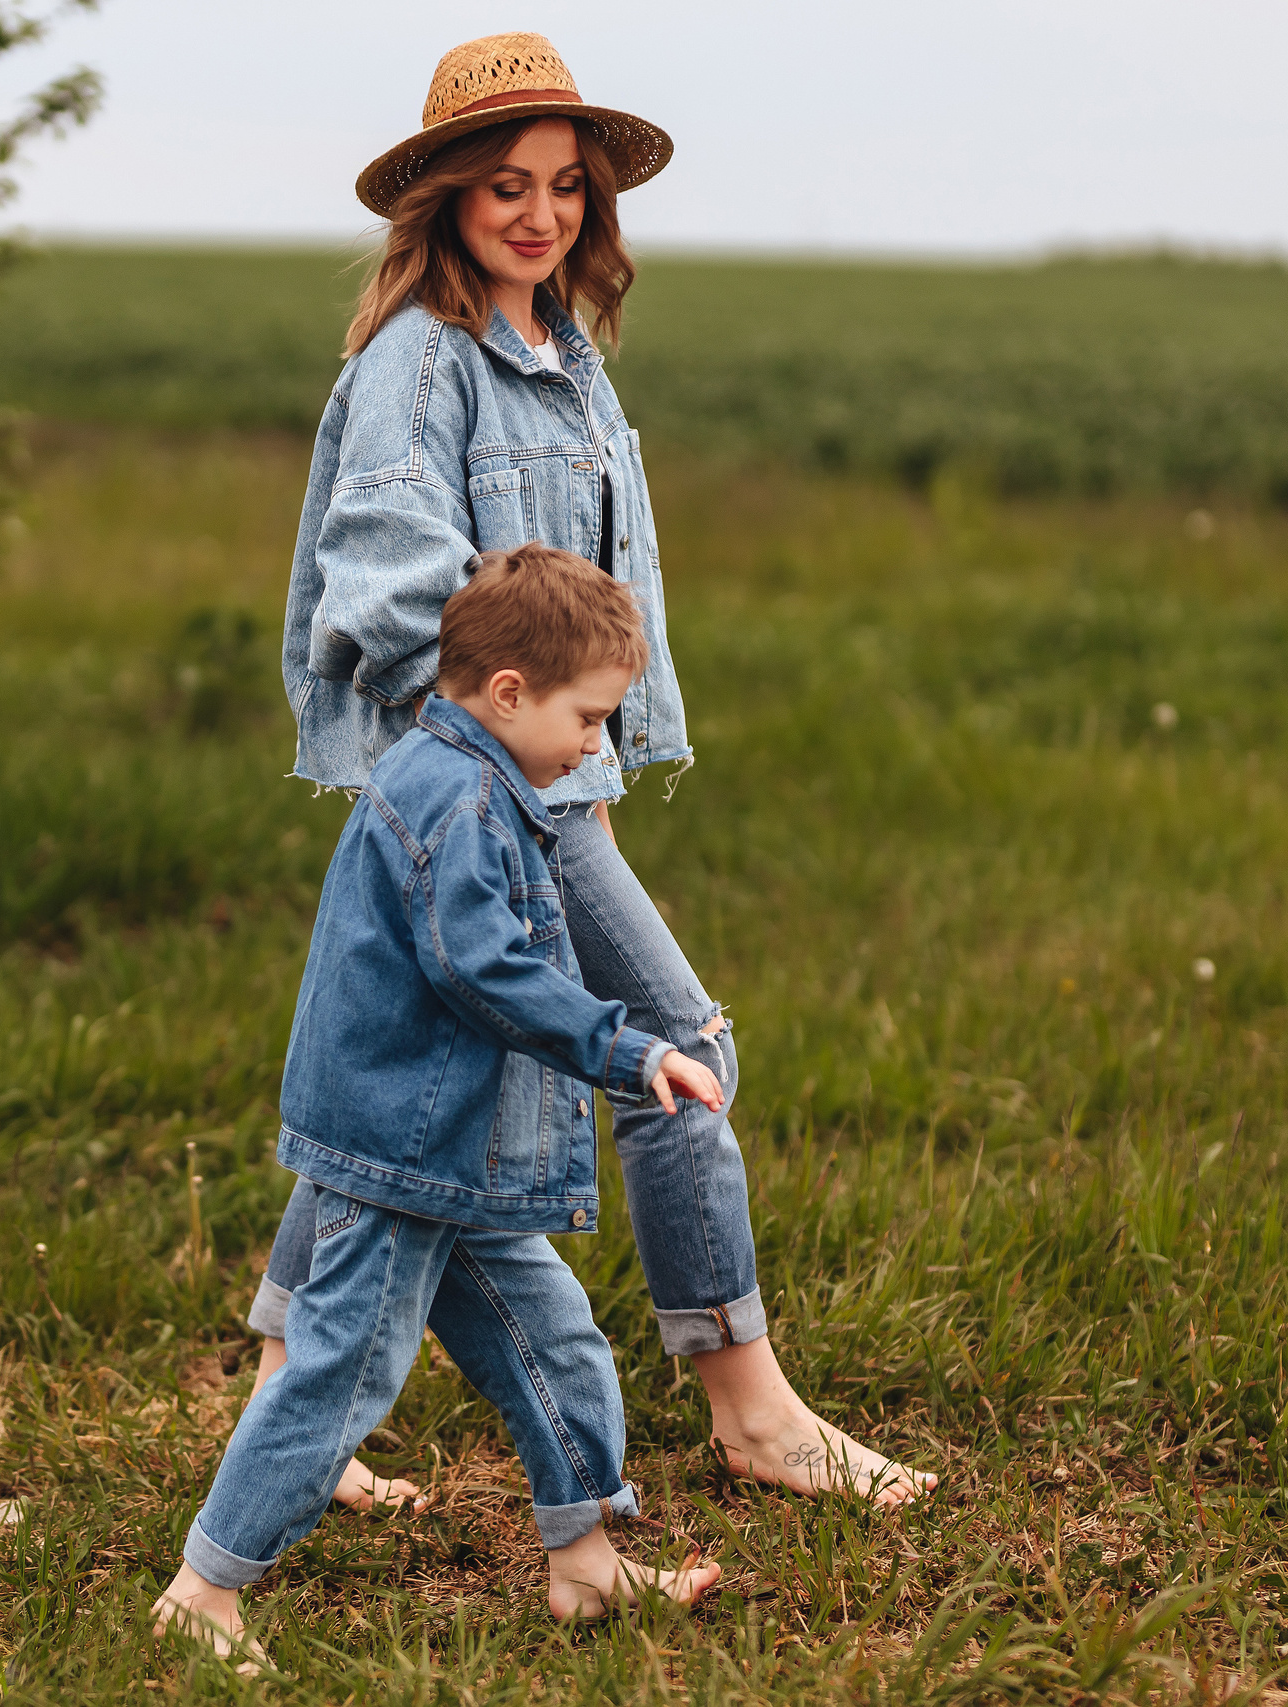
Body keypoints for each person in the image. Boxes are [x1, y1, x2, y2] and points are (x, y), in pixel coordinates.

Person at [262, 32, 934, 1516]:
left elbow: (582, 606)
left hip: (554, 787)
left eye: (565, 186)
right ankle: (752, 1405)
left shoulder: (562, 357)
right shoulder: (420, 361)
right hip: (489, 793)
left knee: (407, 1070)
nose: (538, 212)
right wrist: (526, 757)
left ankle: (284, 1392)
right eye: (504, 183)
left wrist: (592, 753)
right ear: (442, 197)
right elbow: (385, 594)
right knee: (681, 1050)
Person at [154, 548, 726, 1670]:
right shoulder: (454, 798)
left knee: (557, 1345)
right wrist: (623, 1044)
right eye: (590, 718)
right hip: (404, 1150)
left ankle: (589, 1563)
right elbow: (483, 967)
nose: (597, 745)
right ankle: (201, 1593)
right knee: (343, 1369)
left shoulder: (473, 779)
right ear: (508, 691)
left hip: (451, 1152)